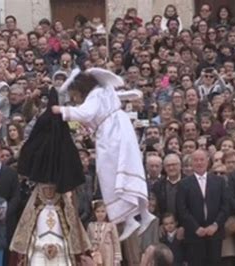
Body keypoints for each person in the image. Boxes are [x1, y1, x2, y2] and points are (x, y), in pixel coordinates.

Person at [52, 68, 155, 241]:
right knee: (125, 170)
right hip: (117, 129)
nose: (75, 99)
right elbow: (118, 95)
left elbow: (86, 113)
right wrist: (132, 94)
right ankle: (141, 215)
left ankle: (134, 217)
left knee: (110, 174)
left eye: (75, 95)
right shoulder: (103, 91)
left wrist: (61, 110)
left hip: (112, 133)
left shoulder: (95, 95)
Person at [10, 183, 91, 265]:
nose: (49, 191)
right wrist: (42, 246)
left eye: (52, 189)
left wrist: (58, 247)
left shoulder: (64, 211)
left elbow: (70, 236)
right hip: (39, 255)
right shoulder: (35, 211)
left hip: (60, 255)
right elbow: (30, 235)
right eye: (46, 188)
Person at [176, 149, 228, 266]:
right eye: (196, 160)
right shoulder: (184, 184)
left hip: (214, 234)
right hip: (194, 236)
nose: (199, 163)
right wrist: (196, 228)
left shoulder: (219, 181)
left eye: (202, 160)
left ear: (208, 161)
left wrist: (215, 225)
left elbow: (225, 206)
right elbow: (182, 209)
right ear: (192, 163)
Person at [87, 200, 122, 266]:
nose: (100, 214)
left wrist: (117, 257)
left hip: (108, 252)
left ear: (106, 212)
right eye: (98, 211)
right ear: (94, 212)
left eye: (103, 211)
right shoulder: (91, 225)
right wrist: (92, 248)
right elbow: (88, 240)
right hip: (95, 253)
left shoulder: (111, 225)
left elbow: (116, 241)